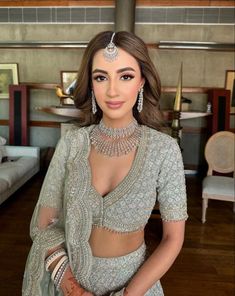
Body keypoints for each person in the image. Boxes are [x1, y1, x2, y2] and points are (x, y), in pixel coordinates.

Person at [22, 31, 188, 296]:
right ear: (91, 83)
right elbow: (42, 226)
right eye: (101, 77)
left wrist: (127, 295)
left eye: (125, 76)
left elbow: (173, 238)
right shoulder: (71, 144)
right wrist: (72, 287)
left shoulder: (164, 150)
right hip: (66, 282)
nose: (112, 90)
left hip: (134, 287)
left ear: (142, 81)